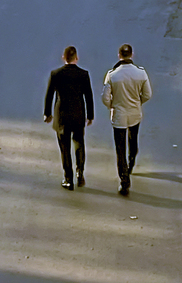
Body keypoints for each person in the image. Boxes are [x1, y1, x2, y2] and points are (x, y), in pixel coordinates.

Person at [101, 44, 153, 197]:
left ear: (119, 55)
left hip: (119, 115)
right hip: (135, 113)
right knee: (133, 140)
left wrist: (113, 105)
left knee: (120, 148)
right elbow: (147, 94)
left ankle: (124, 180)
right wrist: (138, 102)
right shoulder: (141, 74)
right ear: (132, 55)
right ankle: (131, 163)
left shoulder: (112, 75)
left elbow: (105, 98)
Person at [42, 45, 94, 190]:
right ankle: (80, 172)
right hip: (78, 114)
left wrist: (47, 113)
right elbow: (89, 96)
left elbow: (49, 95)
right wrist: (90, 115)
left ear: (63, 58)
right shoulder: (83, 74)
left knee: (64, 147)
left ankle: (68, 178)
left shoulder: (56, 74)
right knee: (79, 143)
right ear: (76, 58)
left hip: (62, 116)